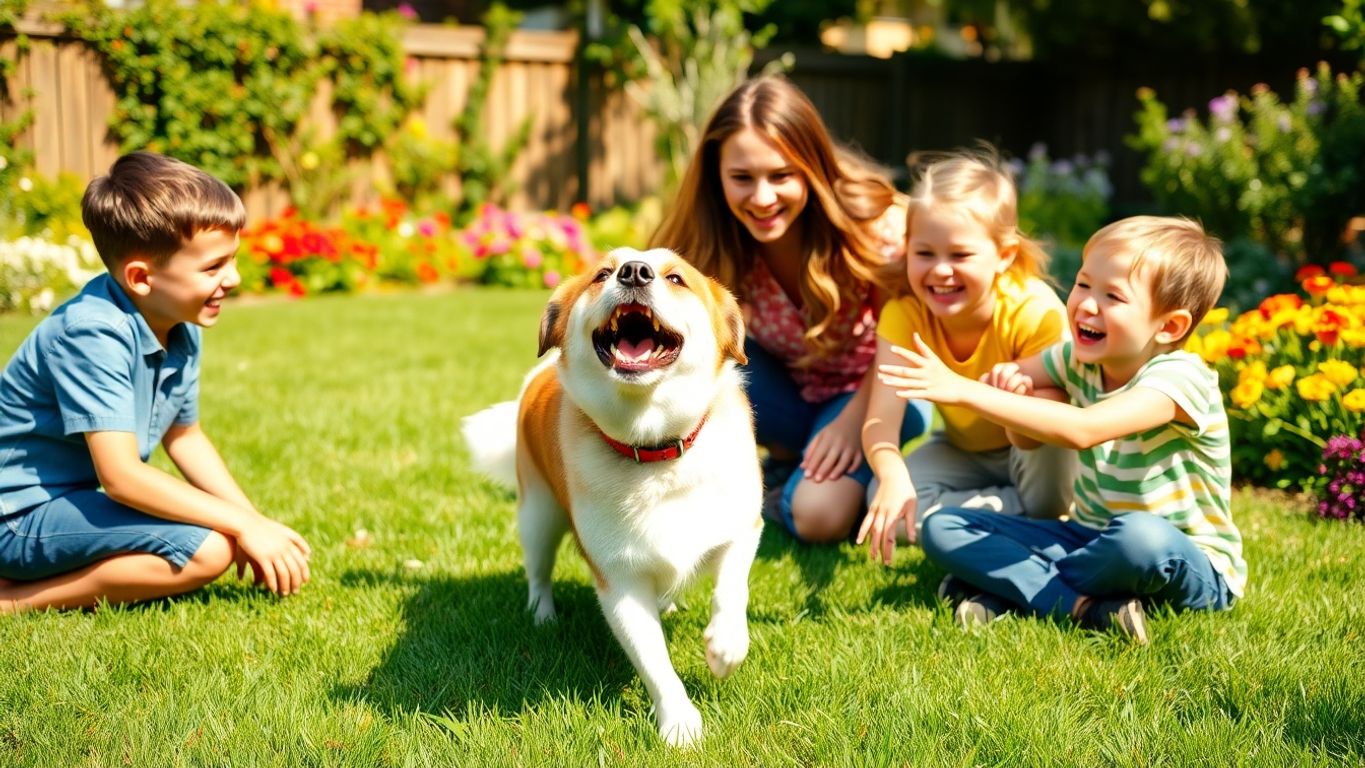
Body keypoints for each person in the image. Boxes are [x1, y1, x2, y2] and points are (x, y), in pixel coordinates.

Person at [876, 216, 1244, 644]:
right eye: (1084, 284)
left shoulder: (1181, 378)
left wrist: (962, 389)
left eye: (1113, 296)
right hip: (1087, 536)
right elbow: (1019, 403)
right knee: (942, 527)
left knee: (1139, 536)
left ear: (1170, 326)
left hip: (1183, 556)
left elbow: (1085, 429)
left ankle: (1011, 586)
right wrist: (1014, 386)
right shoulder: (1076, 358)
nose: (1087, 305)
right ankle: (1083, 607)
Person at [0, 151, 311, 612]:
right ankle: (15, 600)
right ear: (142, 278)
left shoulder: (180, 322)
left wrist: (251, 520)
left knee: (218, 536)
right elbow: (122, 477)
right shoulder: (91, 332)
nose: (234, 278)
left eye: (232, 260)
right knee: (209, 550)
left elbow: (184, 436)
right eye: (213, 267)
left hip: (68, 502)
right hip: (16, 517)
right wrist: (240, 528)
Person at [650, 75, 931, 543]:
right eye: (742, 178)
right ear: (716, 176)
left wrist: (848, 424)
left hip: (878, 386)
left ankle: (776, 477)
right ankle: (788, 455)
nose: (762, 198)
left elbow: (905, 339)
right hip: (788, 389)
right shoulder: (704, 241)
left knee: (818, 516)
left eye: (781, 175)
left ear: (812, 169)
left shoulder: (876, 230)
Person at [857, 150, 1075, 560]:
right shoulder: (904, 313)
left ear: (1004, 255)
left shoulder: (1034, 311)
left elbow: (1055, 426)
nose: (941, 270)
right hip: (965, 450)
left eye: (960, 255)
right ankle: (1026, 520)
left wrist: (1014, 402)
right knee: (885, 497)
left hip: (1033, 452)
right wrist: (891, 474)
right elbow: (880, 420)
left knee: (1048, 420)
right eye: (924, 254)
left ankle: (1038, 514)